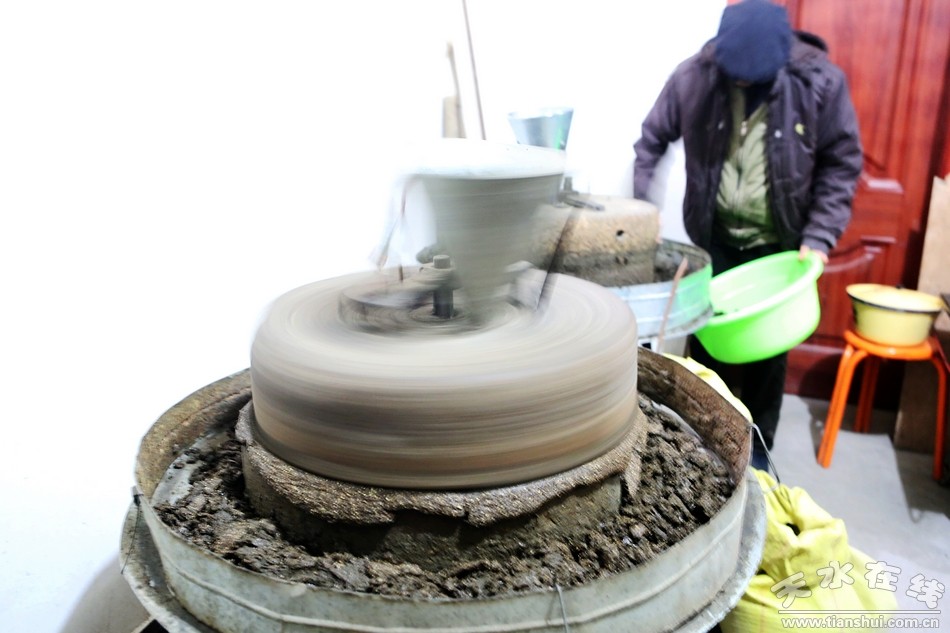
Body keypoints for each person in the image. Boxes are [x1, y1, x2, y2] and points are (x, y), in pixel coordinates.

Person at [633, 0, 863, 468]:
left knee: (768, 357)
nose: (741, 85)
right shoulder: (694, 77)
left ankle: (758, 454)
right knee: (708, 349)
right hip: (714, 238)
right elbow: (651, 141)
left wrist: (820, 235)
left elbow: (841, 163)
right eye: (734, 77)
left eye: (751, 81)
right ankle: (702, 449)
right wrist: (644, 208)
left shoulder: (819, 82)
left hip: (778, 245)